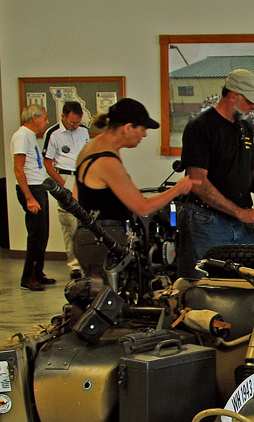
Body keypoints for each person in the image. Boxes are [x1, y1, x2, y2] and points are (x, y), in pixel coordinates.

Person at [70, 99, 198, 284]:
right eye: (143, 129)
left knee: (99, 297)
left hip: (89, 235)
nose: (145, 135)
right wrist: (178, 188)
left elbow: (78, 195)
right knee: (109, 304)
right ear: (128, 127)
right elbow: (143, 208)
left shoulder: (92, 147)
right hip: (104, 238)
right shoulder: (107, 160)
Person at [176, 69, 254, 278]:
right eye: (250, 101)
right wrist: (240, 212)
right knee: (202, 286)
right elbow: (197, 182)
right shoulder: (201, 127)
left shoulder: (243, 127)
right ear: (233, 95)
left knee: (247, 282)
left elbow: (249, 167)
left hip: (242, 222)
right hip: (207, 222)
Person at [43, 101, 91, 280]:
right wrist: (62, 185)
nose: (76, 126)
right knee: (70, 225)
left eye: (78, 122)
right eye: (72, 122)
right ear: (63, 116)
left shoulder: (84, 131)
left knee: (87, 223)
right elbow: (48, 164)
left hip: (84, 179)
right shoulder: (53, 134)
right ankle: (74, 266)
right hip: (66, 178)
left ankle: (88, 261)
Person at [12, 104, 52, 291]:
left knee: (43, 235)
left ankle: (38, 273)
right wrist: (29, 198)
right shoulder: (21, 136)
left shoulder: (30, 136)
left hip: (38, 187)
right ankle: (29, 278)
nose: (46, 122)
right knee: (36, 236)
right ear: (34, 118)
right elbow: (18, 169)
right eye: (44, 118)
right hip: (31, 191)